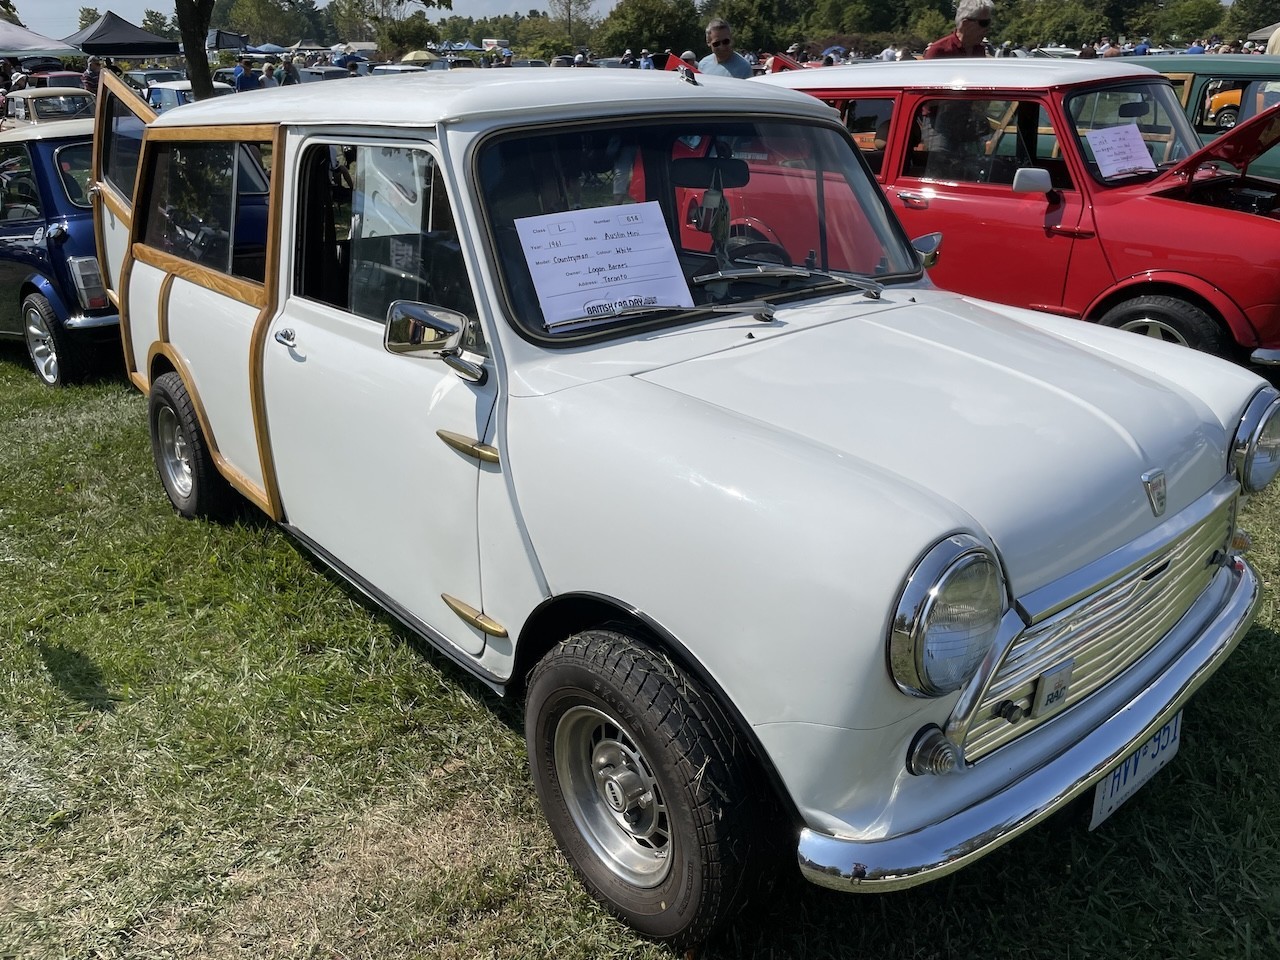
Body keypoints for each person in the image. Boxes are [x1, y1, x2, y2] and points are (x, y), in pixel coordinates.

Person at [923, 0, 993, 59]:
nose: (988, 28)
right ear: (965, 24)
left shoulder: (979, 50)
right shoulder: (938, 51)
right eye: (984, 23)